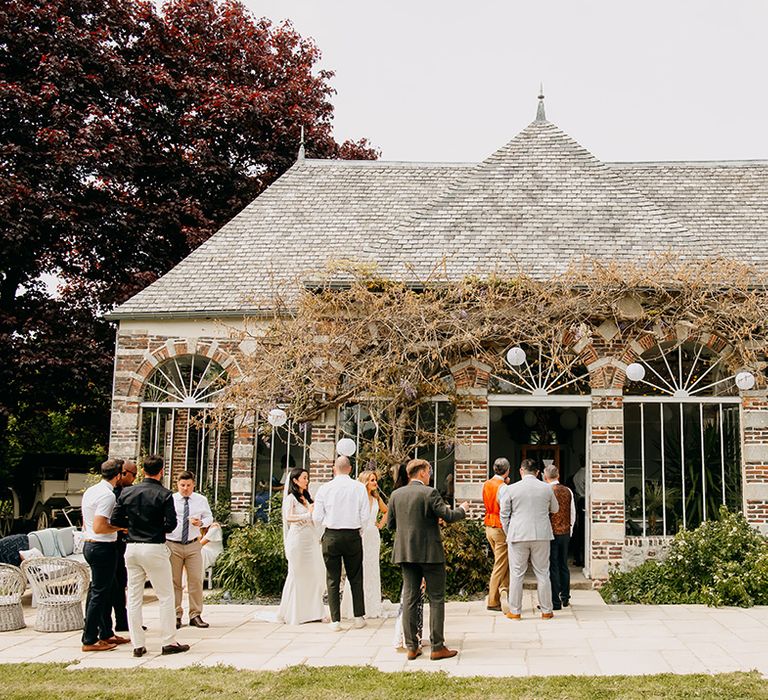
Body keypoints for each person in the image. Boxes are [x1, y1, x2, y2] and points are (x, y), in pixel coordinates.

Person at [387, 458, 468, 661]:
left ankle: (412, 647)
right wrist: (463, 509)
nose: (430, 475)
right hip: (430, 552)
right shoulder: (429, 492)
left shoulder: (396, 494)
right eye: (428, 471)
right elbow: (448, 515)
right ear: (422, 473)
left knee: (410, 599)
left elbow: (390, 524)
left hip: (406, 552)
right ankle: (438, 647)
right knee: (437, 599)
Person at [111, 454, 189, 657]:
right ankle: (168, 641)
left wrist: (132, 527)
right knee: (165, 595)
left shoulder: (127, 492)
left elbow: (115, 518)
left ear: (143, 471)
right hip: (154, 546)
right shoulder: (164, 494)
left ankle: (138, 644)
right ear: (161, 471)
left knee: (135, 597)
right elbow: (171, 524)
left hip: (132, 548)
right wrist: (154, 527)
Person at [312, 455, 369, 631]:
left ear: (334, 469)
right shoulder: (359, 488)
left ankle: (335, 620)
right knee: (356, 576)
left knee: (332, 577)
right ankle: (358, 617)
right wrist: (359, 532)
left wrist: (322, 534)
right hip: (352, 534)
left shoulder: (325, 488)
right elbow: (365, 516)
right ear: (350, 469)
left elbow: (317, 517)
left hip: (331, 535)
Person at [80, 458, 130, 652]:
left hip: (91, 545)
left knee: (102, 590)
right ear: (118, 475)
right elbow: (100, 526)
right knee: (99, 594)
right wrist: (120, 528)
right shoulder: (107, 496)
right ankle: (90, 639)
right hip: (102, 547)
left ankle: (106, 633)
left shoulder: (91, 491)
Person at [500, 458, 559, 620]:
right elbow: (555, 509)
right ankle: (546, 610)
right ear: (538, 472)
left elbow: (504, 515)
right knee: (542, 572)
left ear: (521, 471)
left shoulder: (510, 489)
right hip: (541, 534)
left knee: (517, 573)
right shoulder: (547, 488)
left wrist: (508, 532)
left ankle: (516, 611)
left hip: (518, 534)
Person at [277, 467, 327, 625]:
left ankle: (315, 612)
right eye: (304, 478)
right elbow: (288, 517)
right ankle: (295, 612)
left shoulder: (307, 498)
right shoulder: (290, 498)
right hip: (298, 540)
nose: (307, 480)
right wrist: (308, 514)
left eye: (307, 477)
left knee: (313, 574)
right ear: (295, 480)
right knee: (297, 574)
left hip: (310, 540)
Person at [167, 470, 213, 629]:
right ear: (177, 485)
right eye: (182, 485)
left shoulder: (201, 500)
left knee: (195, 580)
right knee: (174, 581)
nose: (185, 488)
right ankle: (175, 615)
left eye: (188, 485)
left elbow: (209, 518)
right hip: (173, 543)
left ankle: (195, 614)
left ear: (193, 484)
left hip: (193, 543)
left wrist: (200, 523)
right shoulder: (171, 499)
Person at [341, 469, 387, 619]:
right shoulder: (357, 498)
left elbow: (387, 511)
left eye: (375, 480)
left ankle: (372, 606)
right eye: (372, 480)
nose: (375, 483)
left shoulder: (376, 498)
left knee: (372, 568)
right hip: (359, 534)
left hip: (373, 535)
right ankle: (354, 606)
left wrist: (380, 524)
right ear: (365, 481)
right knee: (356, 567)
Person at [543, 465, 576, 610]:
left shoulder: (546, 491)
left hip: (551, 533)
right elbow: (572, 512)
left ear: (545, 477)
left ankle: (554, 599)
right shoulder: (568, 491)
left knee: (553, 566)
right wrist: (570, 529)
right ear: (558, 475)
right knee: (564, 565)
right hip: (565, 532)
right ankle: (565, 597)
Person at [482, 457, 511, 612]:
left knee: (503, 561)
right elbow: (505, 509)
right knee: (500, 565)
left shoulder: (487, 484)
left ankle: (504, 592)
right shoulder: (503, 487)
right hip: (500, 526)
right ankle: (492, 600)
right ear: (507, 470)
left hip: (488, 525)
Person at [112, 459, 137, 632]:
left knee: (121, 582)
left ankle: (122, 620)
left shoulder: (126, 491)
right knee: (108, 584)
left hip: (122, 543)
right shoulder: (111, 493)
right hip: (109, 543)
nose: (134, 479)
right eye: (133, 475)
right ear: (122, 473)